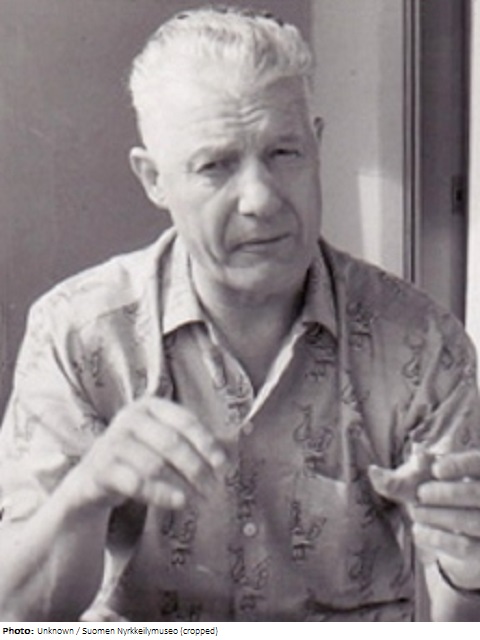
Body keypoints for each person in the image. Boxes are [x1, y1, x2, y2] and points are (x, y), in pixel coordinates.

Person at [1, 5, 480, 623]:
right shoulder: (76, 333)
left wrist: (468, 568)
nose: (260, 199)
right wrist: (85, 495)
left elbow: (458, 623)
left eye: (284, 152)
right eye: (215, 165)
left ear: (317, 145)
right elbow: (17, 621)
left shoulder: (423, 342)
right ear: (153, 179)